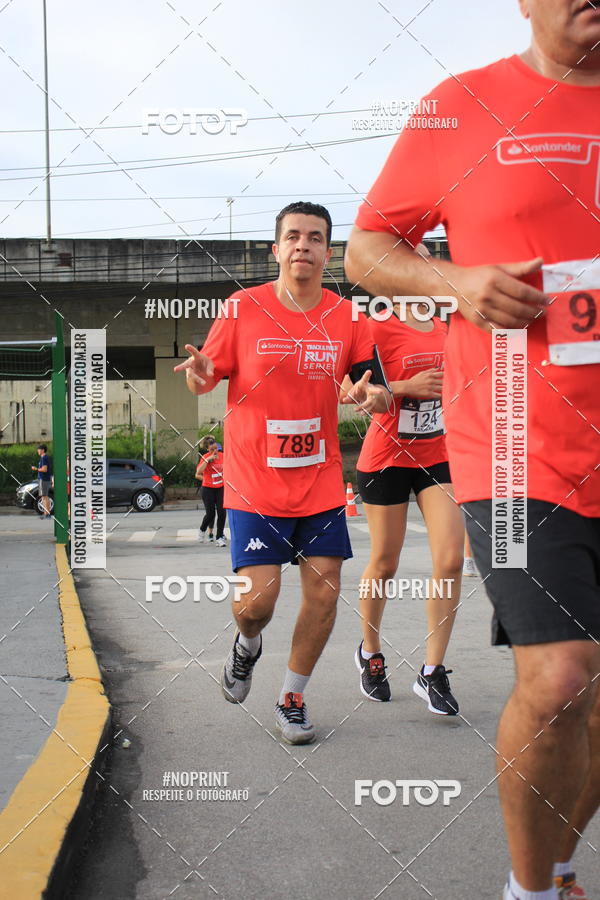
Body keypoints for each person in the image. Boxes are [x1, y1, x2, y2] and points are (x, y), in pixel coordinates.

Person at [345, 3, 600, 897]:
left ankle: (559, 868)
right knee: (564, 676)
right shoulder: (466, 105)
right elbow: (368, 250)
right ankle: (530, 890)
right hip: (517, 440)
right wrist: (454, 279)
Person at [175, 201, 390, 744]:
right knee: (257, 604)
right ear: (276, 249)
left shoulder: (346, 316)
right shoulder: (243, 308)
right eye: (293, 236)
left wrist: (375, 394)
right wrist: (199, 376)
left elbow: (376, 385)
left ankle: (292, 696)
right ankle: (246, 648)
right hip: (252, 481)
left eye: (315, 238)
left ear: (327, 252)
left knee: (323, 592)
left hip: (318, 480)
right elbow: (204, 377)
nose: (303, 246)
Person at [350, 271, 464, 714]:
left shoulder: (444, 325)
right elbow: (351, 393)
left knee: (451, 559)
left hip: (438, 455)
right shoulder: (373, 326)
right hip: (386, 460)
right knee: (385, 561)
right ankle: (370, 652)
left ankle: (432, 672)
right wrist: (403, 388)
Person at [195, 435, 226, 546]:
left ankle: (219, 537)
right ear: (208, 449)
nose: (214, 451)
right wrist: (207, 460)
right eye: (212, 449)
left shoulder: (222, 456)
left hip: (220, 488)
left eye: (215, 448)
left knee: (222, 513)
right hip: (208, 489)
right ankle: (202, 530)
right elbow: (198, 472)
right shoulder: (205, 457)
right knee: (210, 514)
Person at [31, 444, 52, 518]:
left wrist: (36, 469)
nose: (38, 451)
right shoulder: (43, 458)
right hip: (43, 479)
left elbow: (44, 469)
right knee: (44, 497)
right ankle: (46, 513)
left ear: (43, 450)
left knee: (44, 496)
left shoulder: (44, 458)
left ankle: (47, 513)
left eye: (39, 449)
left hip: (44, 479)